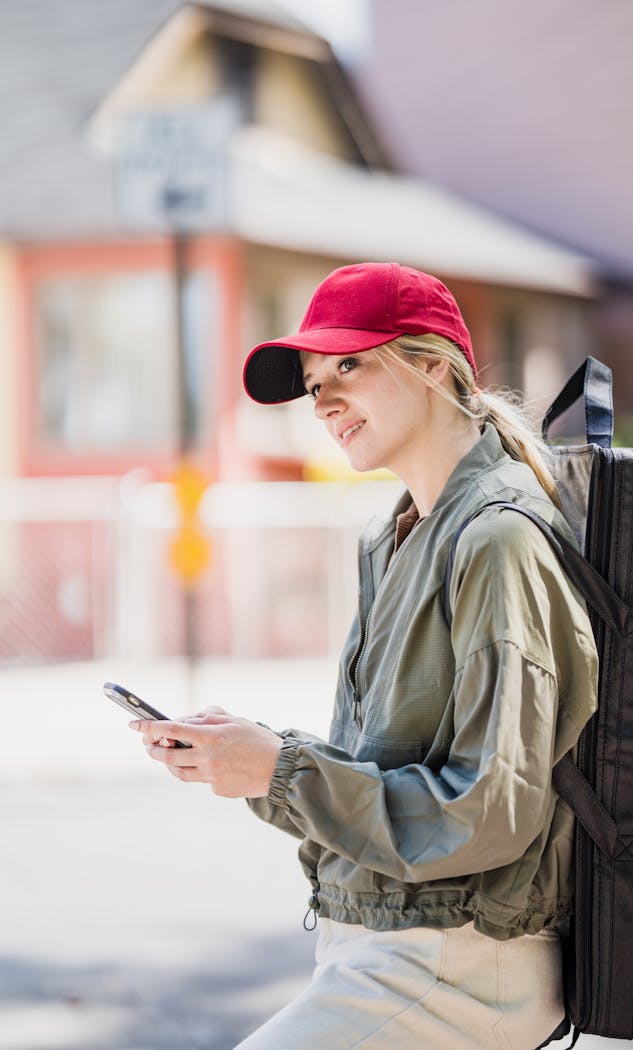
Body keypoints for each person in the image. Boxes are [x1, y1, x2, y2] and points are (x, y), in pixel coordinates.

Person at [131, 262, 598, 1049]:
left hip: (458, 962)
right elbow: (387, 775)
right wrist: (259, 759)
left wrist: (282, 771)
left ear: (432, 365)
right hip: (379, 946)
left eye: (349, 364)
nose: (326, 401)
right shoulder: (393, 539)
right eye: (315, 385)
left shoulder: (498, 538)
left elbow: (489, 812)